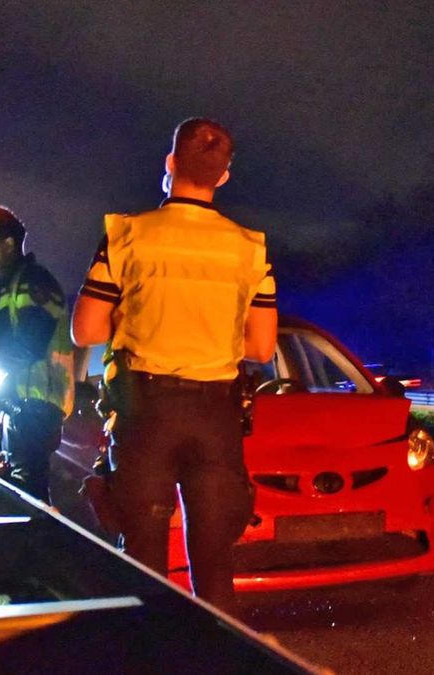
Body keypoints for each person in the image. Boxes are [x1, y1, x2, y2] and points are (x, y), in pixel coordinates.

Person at [70, 118, 278, 615]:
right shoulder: (249, 248)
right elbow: (263, 347)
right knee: (214, 567)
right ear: (223, 177)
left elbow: (86, 330)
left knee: (143, 564)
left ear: (170, 165)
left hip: (147, 414)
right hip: (217, 417)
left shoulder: (129, 236)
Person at [0, 205, 74, 502]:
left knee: (28, 494)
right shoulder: (1, 288)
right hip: (12, 405)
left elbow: (29, 344)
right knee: (13, 493)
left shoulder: (34, 282)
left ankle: (44, 545)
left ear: (8, 244)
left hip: (34, 406)